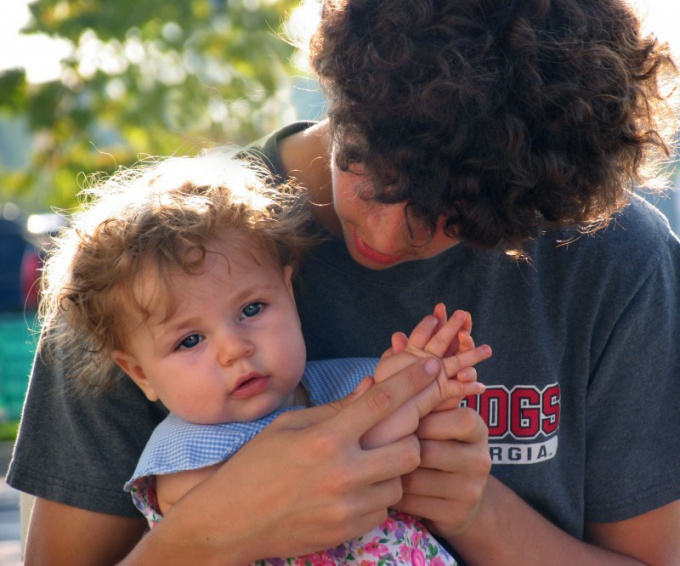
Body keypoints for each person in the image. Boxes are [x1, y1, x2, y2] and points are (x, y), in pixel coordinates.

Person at [8, 0, 680, 564]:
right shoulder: (144, 263)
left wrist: (478, 513)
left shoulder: (616, 263)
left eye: (449, 218)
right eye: (363, 168)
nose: (382, 236)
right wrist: (212, 531)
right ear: (338, 91)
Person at [36, 152, 491, 564]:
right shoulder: (183, 455)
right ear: (140, 374)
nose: (235, 348)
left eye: (252, 310)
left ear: (289, 296)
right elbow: (248, 502)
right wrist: (387, 412)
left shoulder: (338, 385)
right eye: (190, 340)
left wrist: (417, 377)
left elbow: (384, 441)